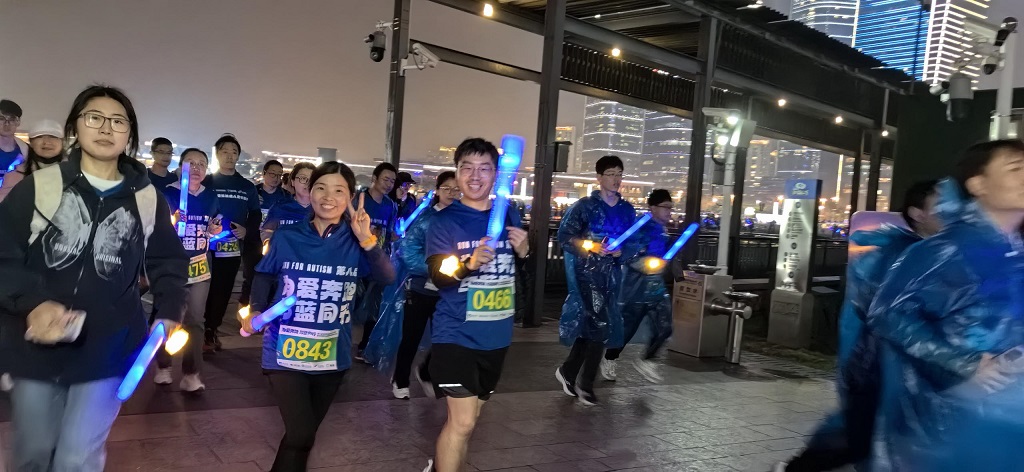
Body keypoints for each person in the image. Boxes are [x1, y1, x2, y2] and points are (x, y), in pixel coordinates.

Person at [0, 85, 187, 471]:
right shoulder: (41, 186)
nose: (105, 128)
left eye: (118, 121)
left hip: (109, 346)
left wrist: (169, 309)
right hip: (34, 347)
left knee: (76, 457)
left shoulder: (147, 198)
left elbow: (168, 260)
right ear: (76, 127)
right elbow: (4, 254)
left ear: (130, 135)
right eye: (94, 117)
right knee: (32, 452)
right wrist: (31, 304)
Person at [867, 140, 1024, 472]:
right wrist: (964, 363)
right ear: (978, 184)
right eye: (1016, 168)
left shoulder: (1015, 250)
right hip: (954, 421)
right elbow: (887, 314)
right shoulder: (947, 249)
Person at [776, 179, 940, 472]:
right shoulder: (903, 254)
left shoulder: (927, 253)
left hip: (891, 370)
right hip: (878, 368)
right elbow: (884, 315)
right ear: (918, 213)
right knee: (858, 436)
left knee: (866, 436)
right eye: (941, 204)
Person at [242, 161, 395, 470]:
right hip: (284, 349)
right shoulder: (288, 236)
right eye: (321, 188)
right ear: (309, 192)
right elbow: (264, 275)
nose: (328, 197)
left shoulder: (357, 241)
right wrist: (256, 309)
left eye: (339, 191)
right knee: (300, 433)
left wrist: (367, 239)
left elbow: (387, 276)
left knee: (303, 437)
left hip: (331, 353)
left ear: (350, 197)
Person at [422, 138, 529, 472]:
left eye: (484, 168)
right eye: (466, 167)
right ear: (457, 173)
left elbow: (515, 271)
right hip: (455, 334)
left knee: (468, 423)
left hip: (496, 336)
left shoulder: (509, 214)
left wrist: (524, 252)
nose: (475, 175)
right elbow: (438, 275)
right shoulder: (444, 220)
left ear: (496, 175)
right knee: (463, 422)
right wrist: (468, 264)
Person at [554, 155, 635, 405]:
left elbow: (633, 242)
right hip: (586, 273)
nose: (616, 179)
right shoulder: (584, 207)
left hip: (612, 275)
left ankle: (568, 371)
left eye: (619, 174)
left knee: (594, 323)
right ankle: (586, 384)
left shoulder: (627, 210)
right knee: (601, 323)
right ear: (599, 178)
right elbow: (564, 236)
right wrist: (591, 246)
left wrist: (622, 252)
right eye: (610, 174)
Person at [154, 148, 223, 392]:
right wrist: (171, 222)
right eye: (190, 163)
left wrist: (215, 229)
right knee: (167, 314)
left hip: (200, 265)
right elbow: (155, 229)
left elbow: (215, 222)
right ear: (180, 166)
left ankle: (191, 373)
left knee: (195, 319)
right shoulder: (167, 194)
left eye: (201, 164)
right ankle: (163, 365)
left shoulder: (210, 197)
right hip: (171, 265)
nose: (196, 168)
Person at [391, 170, 458, 399]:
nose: (452, 193)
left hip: (449, 290)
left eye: (456, 189)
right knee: (411, 337)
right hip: (421, 288)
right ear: (437, 191)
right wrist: (436, 270)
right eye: (447, 188)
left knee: (446, 337)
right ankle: (400, 379)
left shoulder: (462, 219)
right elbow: (407, 251)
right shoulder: (426, 219)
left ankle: (427, 371)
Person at [601, 189, 676, 383]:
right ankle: (610, 358)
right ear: (653, 207)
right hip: (635, 289)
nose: (669, 211)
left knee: (665, 326)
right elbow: (627, 254)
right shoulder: (640, 227)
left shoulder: (662, 230)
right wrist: (643, 263)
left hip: (656, 287)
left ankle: (648, 360)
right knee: (626, 330)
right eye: (665, 207)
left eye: (670, 208)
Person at [202, 134, 261, 352]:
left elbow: (255, 213)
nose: (229, 156)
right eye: (225, 151)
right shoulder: (206, 182)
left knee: (223, 290)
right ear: (217, 154)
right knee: (201, 290)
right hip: (204, 248)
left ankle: (211, 329)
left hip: (231, 249)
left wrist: (247, 230)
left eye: (234, 152)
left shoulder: (246, 186)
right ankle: (199, 328)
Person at [354, 162, 398, 361]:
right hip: (357, 261)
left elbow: (390, 233)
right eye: (385, 179)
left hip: (378, 262)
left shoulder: (390, 205)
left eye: (392, 181)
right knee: (351, 305)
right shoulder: (360, 200)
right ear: (374, 179)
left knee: (374, 307)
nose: (389, 184)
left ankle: (365, 347)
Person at [240, 160, 292, 308]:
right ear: (264, 173)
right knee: (250, 277)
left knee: (272, 279)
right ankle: (245, 309)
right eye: (272, 174)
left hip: (276, 244)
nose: (276, 178)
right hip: (253, 241)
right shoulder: (254, 192)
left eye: (279, 175)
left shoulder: (285, 196)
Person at [0, 119, 67, 202]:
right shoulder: (16, 176)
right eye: (39, 137)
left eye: (53, 137)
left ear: (62, 142)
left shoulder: (75, 174)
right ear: (31, 142)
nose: (46, 142)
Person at [261, 162, 316, 241]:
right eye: (303, 178)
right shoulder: (280, 207)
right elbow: (267, 232)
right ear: (293, 181)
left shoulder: (321, 210)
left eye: (312, 179)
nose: (307, 183)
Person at [0, 99, 28, 183]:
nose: (7, 124)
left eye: (12, 119)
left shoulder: (26, 151)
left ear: (18, 122)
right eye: (1, 119)